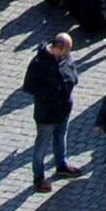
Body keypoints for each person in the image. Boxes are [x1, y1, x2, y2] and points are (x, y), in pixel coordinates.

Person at [20, 36, 76, 191]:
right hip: (47, 112)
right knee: (41, 146)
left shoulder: (64, 57)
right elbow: (29, 87)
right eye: (66, 51)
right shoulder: (38, 63)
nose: (68, 54)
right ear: (57, 48)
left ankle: (61, 165)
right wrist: (50, 92)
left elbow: (72, 70)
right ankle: (38, 178)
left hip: (63, 108)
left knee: (61, 136)